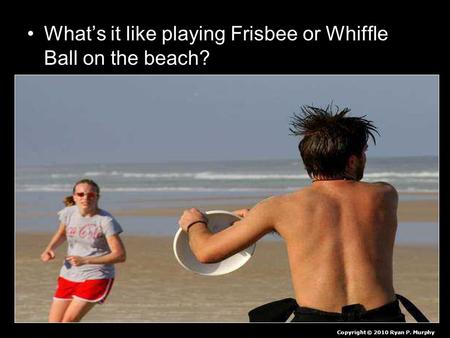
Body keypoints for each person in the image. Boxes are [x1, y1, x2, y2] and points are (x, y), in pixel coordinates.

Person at [178, 104, 427, 322]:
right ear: (351, 161)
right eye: (363, 154)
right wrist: (265, 221)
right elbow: (341, 227)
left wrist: (195, 223)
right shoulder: (384, 195)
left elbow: (205, 252)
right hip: (382, 319)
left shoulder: (279, 208)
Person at [40, 178, 126, 322]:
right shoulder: (68, 213)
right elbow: (62, 233)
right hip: (68, 274)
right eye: (80, 194)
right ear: (74, 196)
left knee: (68, 321)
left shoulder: (105, 221)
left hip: (96, 276)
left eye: (91, 195)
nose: (85, 198)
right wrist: (49, 249)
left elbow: (120, 255)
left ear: (97, 197)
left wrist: (86, 260)